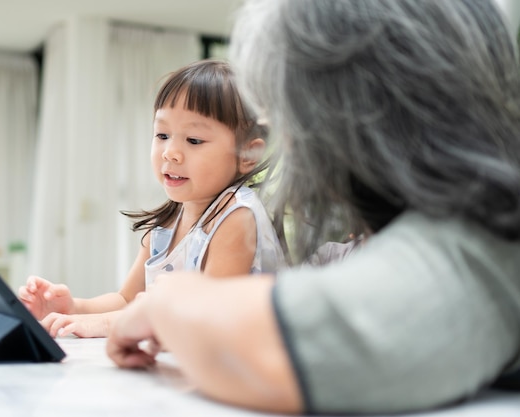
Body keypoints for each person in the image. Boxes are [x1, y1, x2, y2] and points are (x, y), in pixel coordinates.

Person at [105, 0, 520, 414]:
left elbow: (276, 350)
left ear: (355, 117)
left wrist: (165, 302)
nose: (289, 145)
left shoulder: (477, 250)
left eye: (291, 115)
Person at [18, 59, 284, 338]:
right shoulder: (167, 222)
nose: (170, 152)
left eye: (193, 140)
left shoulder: (237, 215)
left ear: (247, 155)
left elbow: (208, 316)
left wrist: (111, 324)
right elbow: (127, 300)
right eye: (162, 134)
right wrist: (74, 309)